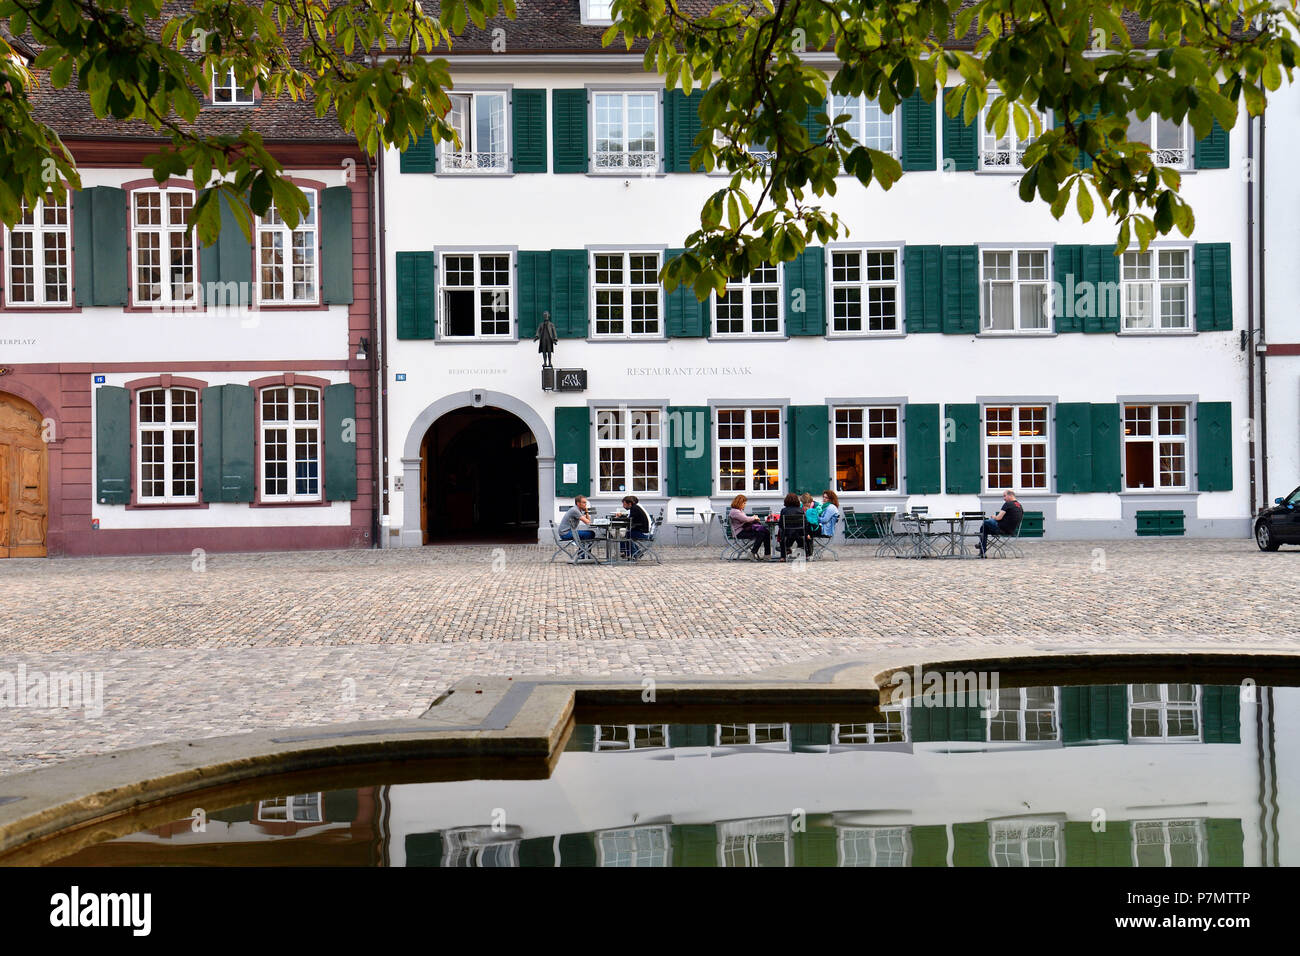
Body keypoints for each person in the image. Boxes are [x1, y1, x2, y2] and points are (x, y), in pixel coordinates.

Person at [979, 490, 1024, 557]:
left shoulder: (1008, 504)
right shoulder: (1019, 506)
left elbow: (998, 518)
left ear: (1010, 495)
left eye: (1005, 496)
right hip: (1011, 531)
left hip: (1001, 528)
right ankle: (981, 546)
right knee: (985, 529)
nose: (1004, 498)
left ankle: (982, 549)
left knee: (986, 522)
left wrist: (994, 517)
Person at [729, 494, 771, 559]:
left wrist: (753, 518)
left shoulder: (739, 511)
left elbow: (745, 519)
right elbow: (746, 519)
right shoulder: (735, 512)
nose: (745, 505)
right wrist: (754, 517)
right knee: (762, 533)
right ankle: (754, 553)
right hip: (739, 533)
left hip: (743, 530)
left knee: (766, 532)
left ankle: (767, 554)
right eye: (744, 503)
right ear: (739, 503)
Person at [778, 492, 811, 560]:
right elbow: (805, 523)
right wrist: (806, 533)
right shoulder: (800, 510)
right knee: (803, 537)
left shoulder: (783, 511)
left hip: (787, 534)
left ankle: (783, 557)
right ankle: (807, 555)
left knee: (781, 534)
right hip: (799, 533)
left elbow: (780, 524)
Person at [620, 494, 652, 558]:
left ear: (629, 504)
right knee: (626, 534)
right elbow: (632, 519)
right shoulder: (635, 507)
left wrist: (620, 517)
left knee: (626, 535)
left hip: (643, 532)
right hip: (643, 530)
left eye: (624, 504)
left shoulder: (634, 508)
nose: (623, 506)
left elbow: (630, 520)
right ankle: (634, 552)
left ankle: (631, 553)